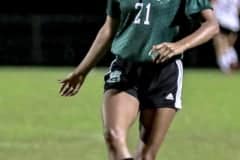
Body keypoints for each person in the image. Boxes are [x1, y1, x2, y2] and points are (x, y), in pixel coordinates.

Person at [59, 0, 219, 159]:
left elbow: (211, 25)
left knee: (146, 156)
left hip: (164, 73)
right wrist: (82, 71)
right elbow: (109, 28)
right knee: (113, 137)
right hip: (125, 69)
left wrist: (180, 45)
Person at [211, 0, 240, 74]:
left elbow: (212, 5)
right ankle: (233, 62)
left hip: (221, 20)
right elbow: (237, 9)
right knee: (229, 46)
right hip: (233, 24)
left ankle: (225, 67)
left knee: (220, 46)